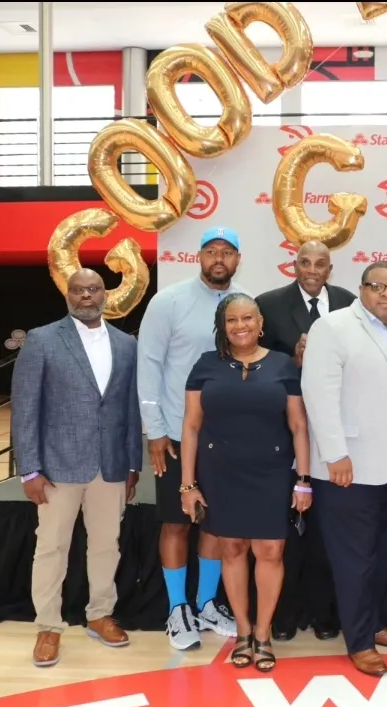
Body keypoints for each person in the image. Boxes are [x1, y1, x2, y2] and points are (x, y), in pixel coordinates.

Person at [11, 269, 142, 667]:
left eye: (94, 289)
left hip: (111, 465)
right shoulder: (43, 339)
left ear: (106, 294)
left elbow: (130, 410)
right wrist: (29, 470)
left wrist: (133, 462)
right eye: (79, 290)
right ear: (67, 295)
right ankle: (48, 626)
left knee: (106, 545)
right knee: (52, 547)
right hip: (57, 466)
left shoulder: (126, 344)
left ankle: (99, 614)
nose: (86, 295)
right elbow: (25, 408)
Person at [300, 261, 387, 677]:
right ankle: (359, 641)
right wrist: (334, 454)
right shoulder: (333, 327)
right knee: (355, 558)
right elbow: (317, 393)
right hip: (349, 464)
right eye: (377, 286)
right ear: (361, 289)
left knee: (383, 552)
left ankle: (372, 623)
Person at [179, 293, 312, 672]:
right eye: (233, 320)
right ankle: (243, 632)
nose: (241, 326)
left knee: (270, 552)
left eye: (248, 319)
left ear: (261, 323)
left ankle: (264, 634)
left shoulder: (284, 366)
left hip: (271, 475)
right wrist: (188, 485)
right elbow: (190, 427)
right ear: (223, 326)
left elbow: (299, 427)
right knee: (233, 550)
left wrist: (303, 480)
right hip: (220, 475)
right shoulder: (205, 366)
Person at [137, 226, 242, 650]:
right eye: (211, 251)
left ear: (238, 259)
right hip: (179, 436)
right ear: (199, 257)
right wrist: (155, 431)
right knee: (177, 522)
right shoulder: (169, 302)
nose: (219, 259)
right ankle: (177, 609)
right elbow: (149, 366)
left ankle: (206, 603)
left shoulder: (245, 304)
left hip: (229, 437)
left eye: (228, 252)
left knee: (215, 524)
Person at [256, 240, 355, 642]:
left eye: (320, 263)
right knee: (285, 530)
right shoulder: (269, 303)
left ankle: (325, 612)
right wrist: (294, 362)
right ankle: (284, 614)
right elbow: (259, 361)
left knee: (328, 529)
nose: (312, 270)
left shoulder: (351, 302)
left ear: (330, 269)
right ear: (293, 265)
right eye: (304, 262)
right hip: (284, 433)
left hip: (338, 432)